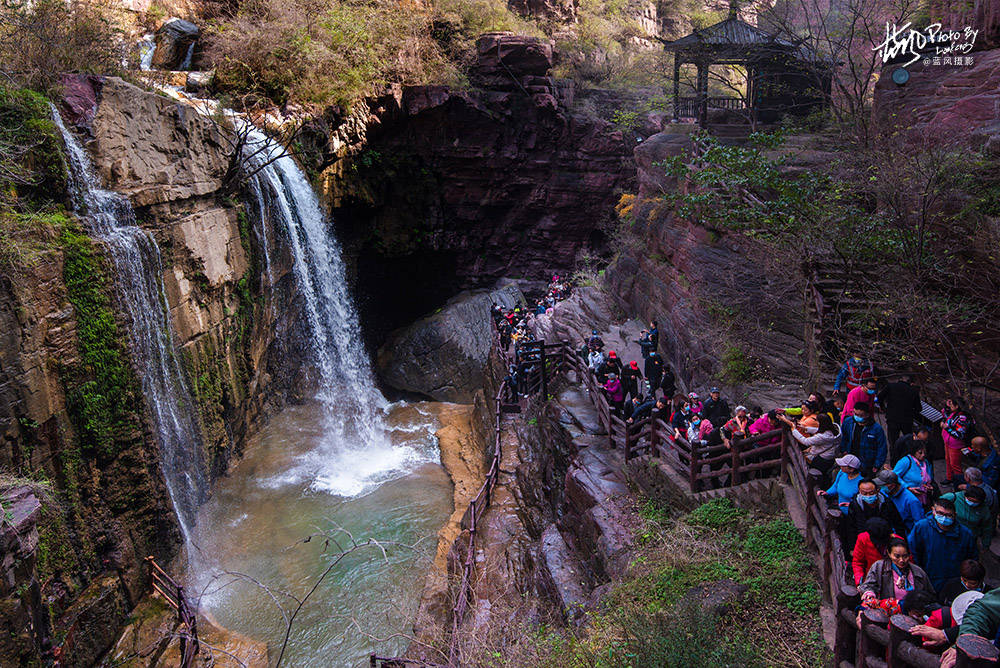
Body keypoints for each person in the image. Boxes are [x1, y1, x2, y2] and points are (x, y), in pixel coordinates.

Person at [907, 497, 978, 592]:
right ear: (933, 511)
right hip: (929, 578)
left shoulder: (965, 534)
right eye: (940, 513)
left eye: (949, 515)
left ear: (955, 515)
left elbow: (972, 558)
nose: (944, 518)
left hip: (955, 580)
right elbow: (913, 552)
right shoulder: (921, 528)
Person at [859, 538, 934, 603]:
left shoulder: (918, 572)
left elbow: (930, 595)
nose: (901, 560)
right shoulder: (879, 567)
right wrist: (870, 593)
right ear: (889, 553)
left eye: (905, 556)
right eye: (897, 556)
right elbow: (869, 585)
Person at [845, 478, 907, 548]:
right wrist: (852, 547)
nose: (868, 496)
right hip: (864, 542)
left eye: (871, 493)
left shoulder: (886, 503)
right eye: (864, 493)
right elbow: (851, 527)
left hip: (885, 539)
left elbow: (898, 523)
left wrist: (901, 542)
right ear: (859, 491)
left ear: (877, 490)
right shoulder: (855, 505)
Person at [840, 401, 887, 477]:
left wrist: (877, 465)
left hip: (867, 463)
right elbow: (844, 438)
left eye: (860, 415)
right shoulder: (848, 422)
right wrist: (844, 450)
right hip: (850, 459)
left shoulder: (876, 429)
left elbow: (882, 448)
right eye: (855, 414)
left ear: (867, 415)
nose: (857, 416)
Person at [790, 413, 840, 478]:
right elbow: (819, 430)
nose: (817, 423)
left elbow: (805, 441)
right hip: (831, 456)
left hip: (822, 459)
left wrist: (794, 430)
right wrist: (805, 429)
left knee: (816, 473)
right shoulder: (835, 429)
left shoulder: (822, 437)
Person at [852, 518, 899, 587]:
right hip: (871, 580)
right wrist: (859, 582)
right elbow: (858, 562)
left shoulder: (898, 543)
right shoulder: (863, 539)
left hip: (894, 582)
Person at [878, 375, 922, 445]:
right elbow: (918, 408)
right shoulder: (913, 391)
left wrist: (883, 407)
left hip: (892, 418)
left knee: (893, 441)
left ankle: (894, 455)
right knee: (908, 441)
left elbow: (880, 397)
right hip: (907, 420)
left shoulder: (891, 386)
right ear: (911, 383)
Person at [940, 397, 971, 487]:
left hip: (956, 445)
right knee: (948, 461)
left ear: (957, 406)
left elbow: (960, 434)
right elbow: (944, 414)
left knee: (955, 464)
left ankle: (960, 483)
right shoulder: (954, 413)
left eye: (952, 404)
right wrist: (946, 405)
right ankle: (950, 478)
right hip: (948, 442)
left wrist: (947, 428)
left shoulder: (962, 418)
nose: (950, 406)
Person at [894, 441, 935, 507]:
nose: (923, 455)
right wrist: (908, 487)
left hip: (924, 498)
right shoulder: (906, 461)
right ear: (914, 451)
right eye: (920, 453)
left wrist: (929, 486)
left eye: (925, 452)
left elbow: (929, 478)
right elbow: (894, 475)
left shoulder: (926, 462)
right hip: (908, 497)